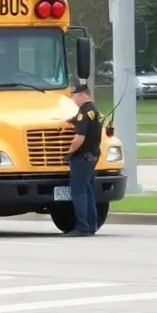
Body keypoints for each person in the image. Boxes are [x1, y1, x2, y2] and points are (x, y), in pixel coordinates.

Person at [64, 84, 102, 236]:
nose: (73, 99)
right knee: (88, 191)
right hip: (93, 155)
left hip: (83, 156)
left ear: (82, 95)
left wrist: (69, 152)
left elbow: (79, 138)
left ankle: (82, 227)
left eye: (74, 96)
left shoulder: (84, 112)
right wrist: (71, 121)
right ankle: (92, 225)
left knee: (78, 192)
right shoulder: (94, 109)